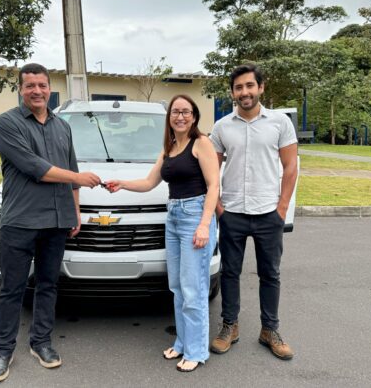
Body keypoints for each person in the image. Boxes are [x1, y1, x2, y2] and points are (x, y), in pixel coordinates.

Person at [0, 63, 101, 382]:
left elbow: (71, 170)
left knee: (48, 285)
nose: (37, 91)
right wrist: (77, 177)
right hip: (20, 221)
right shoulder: (7, 124)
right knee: (12, 288)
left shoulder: (62, 126)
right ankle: (2, 350)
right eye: (30, 86)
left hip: (56, 221)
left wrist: (75, 211)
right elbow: (36, 167)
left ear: (50, 88)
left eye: (42, 85)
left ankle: (41, 342)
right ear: (21, 90)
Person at [106, 94, 219, 372]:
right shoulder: (168, 147)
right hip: (174, 217)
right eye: (175, 112)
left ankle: (196, 350)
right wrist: (122, 184)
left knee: (194, 289)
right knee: (178, 287)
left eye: (186, 111)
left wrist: (204, 224)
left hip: (195, 216)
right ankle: (182, 343)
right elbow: (148, 182)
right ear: (170, 117)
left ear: (194, 116)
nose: (180, 116)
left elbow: (214, 185)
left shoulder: (201, 143)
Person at [209, 64, 298, 360]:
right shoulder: (222, 127)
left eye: (249, 85)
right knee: (230, 272)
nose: (244, 92)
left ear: (261, 87)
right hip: (232, 212)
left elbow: (290, 166)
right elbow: (212, 170)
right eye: (238, 87)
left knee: (270, 274)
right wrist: (220, 208)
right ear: (232, 92)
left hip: (268, 212)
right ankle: (229, 326)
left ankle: (269, 330)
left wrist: (282, 207)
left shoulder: (280, 123)